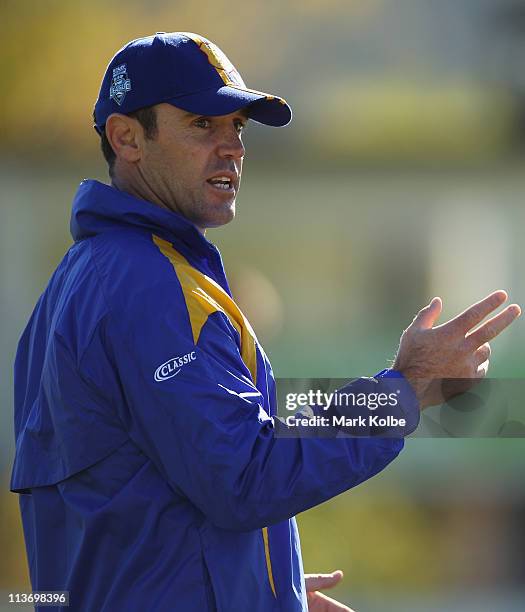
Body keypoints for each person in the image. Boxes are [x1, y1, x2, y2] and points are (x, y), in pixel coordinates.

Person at [10, 32, 520, 612]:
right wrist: (403, 391)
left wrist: (267, 585)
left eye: (239, 128)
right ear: (127, 138)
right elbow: (244, 475)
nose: (232, 146)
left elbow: (232, 442)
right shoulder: (147, 283)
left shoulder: (82, 280)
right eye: (203, 123)